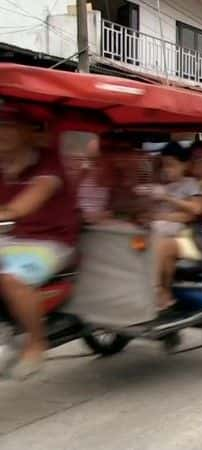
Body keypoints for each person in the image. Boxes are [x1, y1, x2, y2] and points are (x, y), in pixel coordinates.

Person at [0, 107, 80, 380]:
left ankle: (36, 343)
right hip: (9, 237)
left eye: (9, 126)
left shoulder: (48, 165)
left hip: (51, 240)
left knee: (12, 279)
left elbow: (24, 205)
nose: (2, 133)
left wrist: (8, 213)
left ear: (27, 132)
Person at [144, 142, 202, 310]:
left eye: (171, 165)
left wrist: (167, 199)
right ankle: (161, 292)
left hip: (185, 236)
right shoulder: (161, 185)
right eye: (164, 165)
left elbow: (194, 211)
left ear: (184, 165)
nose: (167, 170)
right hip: (160, 229)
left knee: (160, 245)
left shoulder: (190, 184)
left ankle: (156, 290)